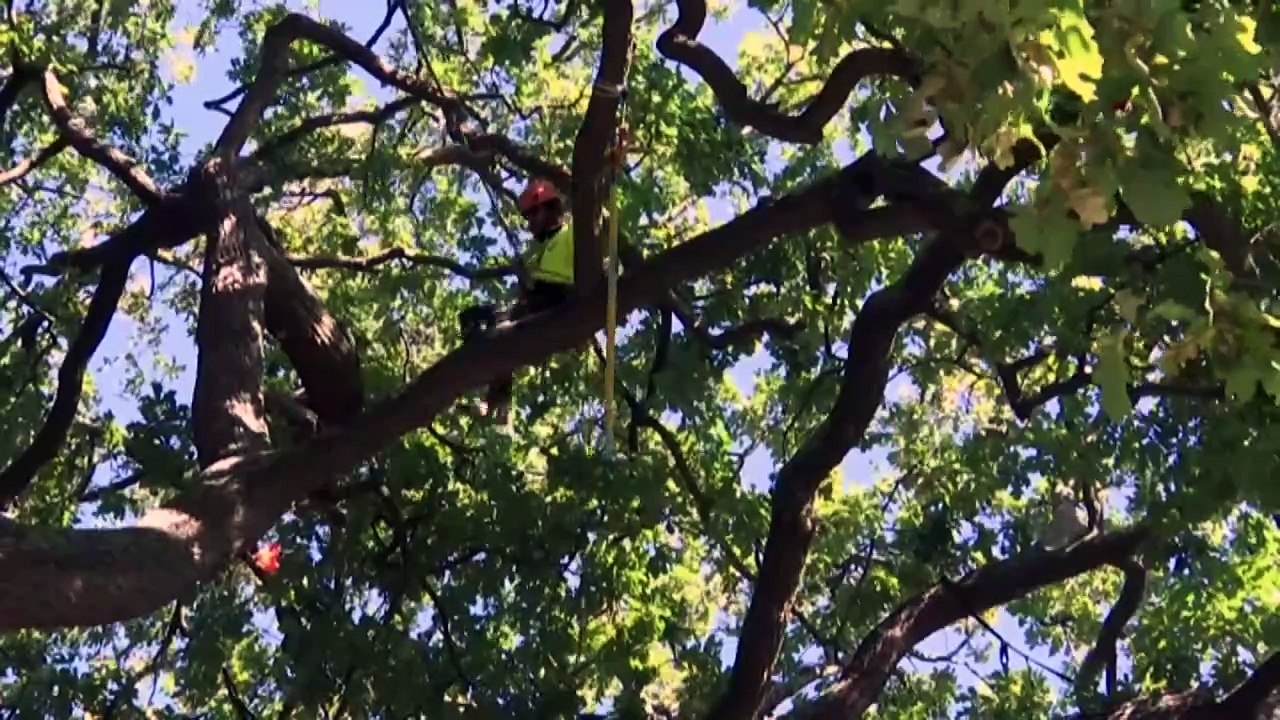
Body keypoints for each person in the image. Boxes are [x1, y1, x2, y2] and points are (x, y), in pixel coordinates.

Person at [459, 177, 575, 423]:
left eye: (535, 212)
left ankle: (497, 400)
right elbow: (525, 291)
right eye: (528, 216)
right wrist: (522, 275)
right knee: (473, 318)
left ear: (551, 209)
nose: (530, 220)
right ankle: (490, 387)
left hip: (559, 300)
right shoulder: (535, 251)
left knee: (502, 327)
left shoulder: (572, 234)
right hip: (534, 303)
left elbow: (594, 204)